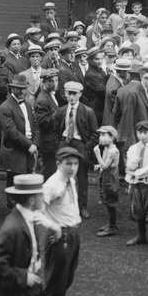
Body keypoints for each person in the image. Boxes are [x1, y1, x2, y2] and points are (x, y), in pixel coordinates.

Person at [0, 174, 59, 296]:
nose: (43, 197)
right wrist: (24, 277)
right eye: (40, 194)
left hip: (25, 291)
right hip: (16, 295)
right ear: (32, 200)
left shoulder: (26, 218)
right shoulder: (13, 227)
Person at [42, 148, 85, 296]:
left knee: (66, 279)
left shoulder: (70, 180)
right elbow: (37, 211)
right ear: (58, 164)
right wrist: (53, 227)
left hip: (73, 233)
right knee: (54, 282)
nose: (73, 167)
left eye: (75, 164)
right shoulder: (52, 185)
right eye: (68, 163)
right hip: (60, 236)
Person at [53, 81, 99, 219]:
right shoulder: (61, 111)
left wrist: (86, 149)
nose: (71, 97)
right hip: (65, 141)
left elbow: (94, 134)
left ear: (80, 94)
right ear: (65, 94)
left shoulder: (88, 111)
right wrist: (58, 145)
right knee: (60, 174)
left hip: (80, 143)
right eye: (69, 94)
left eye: (74, 94)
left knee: (82, 176)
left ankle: (82, 206)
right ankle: (61, 204)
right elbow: (55, 131)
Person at [0, 74, 38, 207]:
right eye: (18, 89)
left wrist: (35, 143)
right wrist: (29, 144)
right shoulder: (5, 107)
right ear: (12, 89)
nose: (22, 92)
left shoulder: (27, 104)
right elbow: (12, 133)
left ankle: (24, 208)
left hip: (28, 148)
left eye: (24, 88)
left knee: (26, 180)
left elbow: (35, 125)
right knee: (15, 182)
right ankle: (14, 212)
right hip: (15, 150)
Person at [125, 121, 148, 246]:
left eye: (146, 133)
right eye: (140, 133)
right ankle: (141, 235)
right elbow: (129, 165)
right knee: (137, 209)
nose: (143, 136)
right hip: (136, 184)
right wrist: (137, 156)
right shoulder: (133, 148)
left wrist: (135, 173)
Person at [93, 125, 120, 237]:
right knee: (106, 199)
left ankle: (112, 227)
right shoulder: (106, 148)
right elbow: (103, 164)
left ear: (111, 138)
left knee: (110, 201)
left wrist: (97, 154)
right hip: (106, 177)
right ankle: (110, 223)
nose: (100, 137)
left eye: (104, 135)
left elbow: (105, 166)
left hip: (110, 179)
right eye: (100, 135)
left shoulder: (113, 151)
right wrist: (99, 165)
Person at [34, 68, 61, 180]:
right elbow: (43, 122)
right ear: (43, 82)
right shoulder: (42, 99)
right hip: (48, 142)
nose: (54, 83)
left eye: (56, 80)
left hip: (53, 141)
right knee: (49, 172)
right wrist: (58, 114)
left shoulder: (51, 95)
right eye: (50, 81)